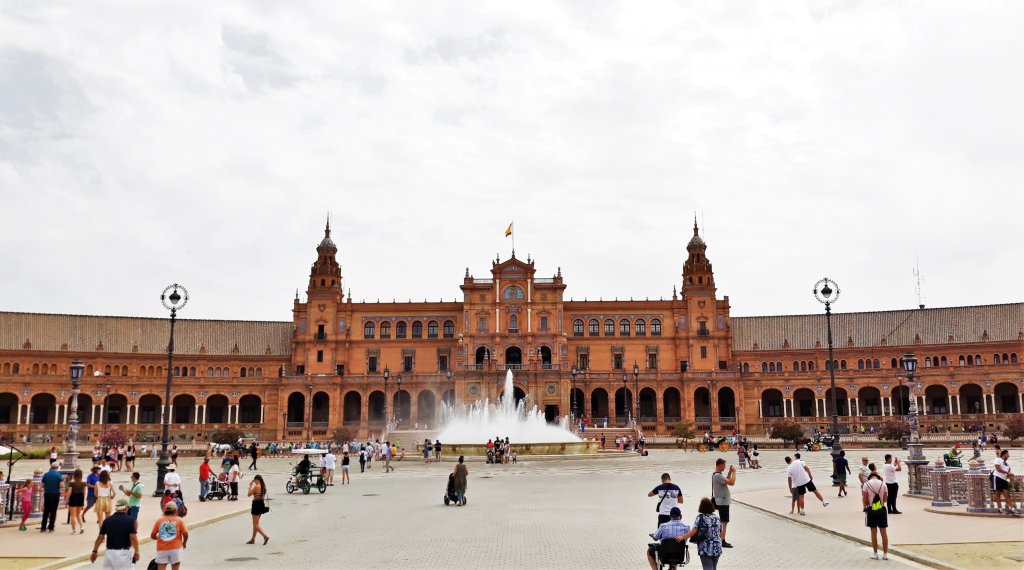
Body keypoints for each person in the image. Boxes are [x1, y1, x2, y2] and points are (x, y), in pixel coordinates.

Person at [90, 498, 140, 569]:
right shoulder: (130, 520)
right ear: (126, 508)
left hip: (109, 553)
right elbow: (133, 537)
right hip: (123, 554)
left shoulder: (107, 520)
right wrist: (137, 551)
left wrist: (94, 551)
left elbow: (100, 538)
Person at [675, 497, 724, 570]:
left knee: (707, 567)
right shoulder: (717, 518)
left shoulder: (700, 518)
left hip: (705, 548)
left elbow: (693, 531)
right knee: (714, 567)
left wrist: (683, 537)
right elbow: (721, 532)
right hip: (717, 546)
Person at [151, 502, 188, 570]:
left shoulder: (159, 520)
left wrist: (160, 537)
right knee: (175, 567)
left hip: (162, 549)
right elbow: (185, 533)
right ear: (175, 510)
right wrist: (184, 543)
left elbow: (152, 535)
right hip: (176, 549)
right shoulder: (179, 520)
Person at [862, 470, 889, 560]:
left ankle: (875, 553)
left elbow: (865, 500)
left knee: (873, 532)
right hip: (881, 509)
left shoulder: (866, 484)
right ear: (877, 477)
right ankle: (885, 554)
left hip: (871, 509)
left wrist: (866, 505)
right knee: (884, 533)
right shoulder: (883, 484)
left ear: (870, 477)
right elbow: (885, 499)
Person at [711, 459, 735, 548]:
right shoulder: (717, 476)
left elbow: (726, 480)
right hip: (723, 501)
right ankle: (722, 540)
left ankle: (721, 538)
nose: (725, 466)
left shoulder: (717, 475)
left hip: (722, 500)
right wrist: (734, 472)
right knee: (724, 521)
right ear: (719, 465)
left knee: (723, 521)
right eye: (724, 465)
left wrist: (729, 472)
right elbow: (732, 482)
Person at [992, 449, 1018, 515]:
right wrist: (1007, 472)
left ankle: (1012, 509)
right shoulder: (998, 459)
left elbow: (1009, 471)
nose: (1008, 456)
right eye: (1007, 454)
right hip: (996, 478)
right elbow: (998, 469)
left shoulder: (1008, 463)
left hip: (1004, 480)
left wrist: (1009, 474)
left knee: (1007, 494)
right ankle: (1000, 509)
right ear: (1004, 454)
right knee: (997, 494)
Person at [40, 462, 64, 532]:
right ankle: (51, 527)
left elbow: (42, 485)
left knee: (46, 511)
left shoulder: (46, 474)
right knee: (53, 511)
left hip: (47, 494)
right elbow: (62, 485)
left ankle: (43, 527)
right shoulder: (58, 475)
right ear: (57, 467)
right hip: (55, 494)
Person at [247, 474, 270, 544]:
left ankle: (265, 536)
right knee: (256, 524)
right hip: (261, 505)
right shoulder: (263, 487)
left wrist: (250, 486)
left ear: (257, 480)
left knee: (255, 525)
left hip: (256, 505)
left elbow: (249, 494)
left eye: (255, 480)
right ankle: (253, 539)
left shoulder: (257, 486)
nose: (254, 482)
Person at [65, 468, 87, 534]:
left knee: (73, 515)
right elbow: (84, 492)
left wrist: (66, 499)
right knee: (78, 514)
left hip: (73, 498)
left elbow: (69, 492)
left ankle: (74, 530)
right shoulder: (84, 482)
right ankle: (82, 527)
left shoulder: (71, 482)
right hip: (80, 498)